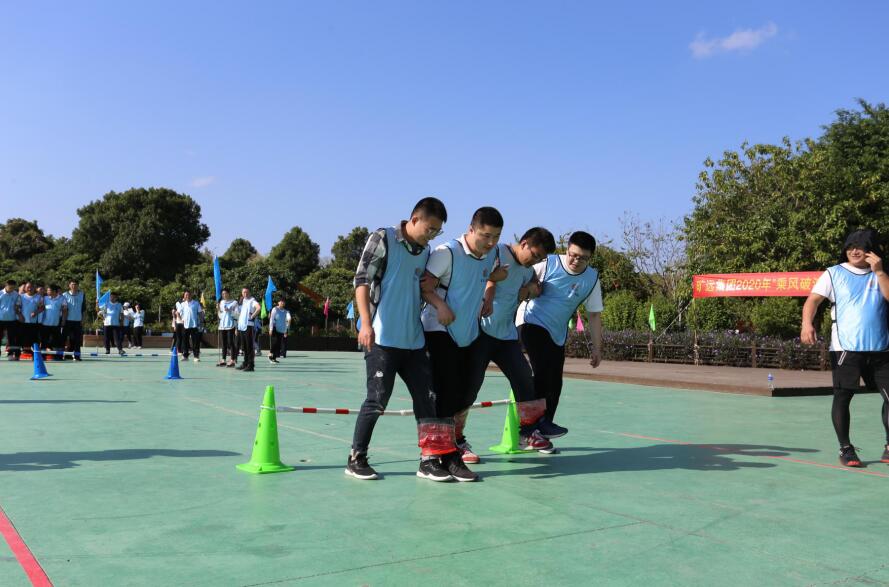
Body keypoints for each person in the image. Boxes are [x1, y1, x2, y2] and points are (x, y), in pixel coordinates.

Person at [347, 197, 460, 482]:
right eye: (430, 228)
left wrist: (440, 305)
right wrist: (366, 324)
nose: (432, 235)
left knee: (428, 399)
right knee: (377, 400)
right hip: (382, 337)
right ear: (414, 218)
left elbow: (424, 289)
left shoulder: (425, 252)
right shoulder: (384, 237)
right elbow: (361, 281)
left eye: (437, 231)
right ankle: (356, 457)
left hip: (414, 340)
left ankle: (429, 460)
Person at [420, 206, 507, 473]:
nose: (491, 242)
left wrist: (492, 285)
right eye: (485, 235)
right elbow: (425, 287)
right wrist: (441, 306)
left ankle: (452, 447)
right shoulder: (447, 253)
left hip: (468, 333)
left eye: (496, 237)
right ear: (471, 229)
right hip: (439, 329)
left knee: (465, 392)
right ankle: (437, 458)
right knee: (444, 394)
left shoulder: (491, 254)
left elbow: (485, 275)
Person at [466, 227, 558, 455]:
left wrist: (529, 291)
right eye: (534, 254)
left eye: (540, 258)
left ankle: (527, 434)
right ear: (524, 243)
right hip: (480, 333)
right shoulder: (497, 251)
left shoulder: (527, 271)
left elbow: (537, 286)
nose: (535, 260)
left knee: (526, 380)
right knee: (469, 389)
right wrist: (488, 293)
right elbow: (483, 274)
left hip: (506, 336)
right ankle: (457, 442)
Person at [801, 229, 889, 467]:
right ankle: (846, 448)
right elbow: (813, 300)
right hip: (846, 348)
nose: (855, 251)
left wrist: (879, 272)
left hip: (881, 348)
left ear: (873, 249)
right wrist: (807, 323)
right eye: (850, 246)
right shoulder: (833, 273)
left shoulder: (883, 273)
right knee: (843, 396)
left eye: (861, 246)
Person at [518, 231, 603, 438]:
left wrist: (597, 348)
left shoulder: (591, 278)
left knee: (555, 380)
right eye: (573, 254)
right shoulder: (548, 264)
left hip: (557, 332)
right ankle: (527, 430)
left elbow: (594, 315)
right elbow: (518, 282)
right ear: (567, 249)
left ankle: (543, 428)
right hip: (531, 321)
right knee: (542, 372)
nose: (576, 260)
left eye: (583, 258)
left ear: (590, 257)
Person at [236, 287, 260, 372]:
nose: (245, 294)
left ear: (249, 292)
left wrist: (252, 316)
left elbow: (258, 308)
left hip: (249, 326)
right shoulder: (243, 301)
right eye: (243, 292)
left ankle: (251, 365)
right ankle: (245, 363)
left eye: (246, 292)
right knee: (244, 347)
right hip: (242, 326)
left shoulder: (252, 300)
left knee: (249, 346)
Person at [175, 291, 203, 362]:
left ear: (191, 295)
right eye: (185, 295)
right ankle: (185, 356)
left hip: (194, 325)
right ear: (184, 296)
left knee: (195, 342)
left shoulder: (196, 303)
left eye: (188, 295)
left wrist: (201, 321)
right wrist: (181, 320)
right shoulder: (182, 304)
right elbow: (177, 313)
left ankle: (196, 356)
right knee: (185, 342)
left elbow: (200, 313)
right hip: (185, 326)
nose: (187, 296)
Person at [62, 280, 86, 360]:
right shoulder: (64, 295)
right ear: (69, 285)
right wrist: (63, 320)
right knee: (65, 338)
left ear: (78, 285)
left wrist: (83, 319)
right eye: (72, 284)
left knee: (77, 339)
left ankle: (77, 356)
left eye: (75, 284)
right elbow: (63, 309)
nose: (74, 286)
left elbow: (83, 309)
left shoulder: (82, 295)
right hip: (67, 320)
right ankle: (64, 355)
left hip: (77, 321)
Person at [40, 285, 67, 352]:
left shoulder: (62, 298)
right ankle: (43, 355)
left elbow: (64, 310)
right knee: (44, 340)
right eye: (47, 290)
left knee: (56, 340)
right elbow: (41, 307)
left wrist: (63, 320)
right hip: (45, 323)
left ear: (54, 291)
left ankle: (57, 355)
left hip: (56, 323)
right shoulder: (45, 298)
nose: (47, 292)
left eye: (49, 290)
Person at [0, 280, 23, 360]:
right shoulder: (0, 293)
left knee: (12, 338)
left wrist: (19, 314)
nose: (12, 289)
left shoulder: (16, 295)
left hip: (12, 319)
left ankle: (11, 354)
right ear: (6, 286)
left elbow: (18, 306)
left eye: (13, 288)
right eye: (10, 287)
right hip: (0, 319)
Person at [19, 281, 43, 354]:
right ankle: (25, 351)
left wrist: (35, 312)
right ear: (25, 288)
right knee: (23, 337)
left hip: (33, 322)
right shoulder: (21, 296)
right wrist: (20, 315)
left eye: (31, 287)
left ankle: (34, 352)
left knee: (34, 337)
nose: (30, 289)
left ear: (34, 288)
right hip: (23, 321)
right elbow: (17, 307)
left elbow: (42, 308)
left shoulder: (39, 297)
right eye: (28, 287)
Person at [216, 289, 239, 367]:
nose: (224, 295)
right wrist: (218, 310)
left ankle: (233, 359)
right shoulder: (221, 302)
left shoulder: (234, 302)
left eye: (225, 293)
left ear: (229, 294)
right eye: (223, 294)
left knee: (231, 342)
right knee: (224, 343)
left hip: (231, 325)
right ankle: (223, 359)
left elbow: (237, 314)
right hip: (223, 325)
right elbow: (221, 315)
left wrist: (230, 311)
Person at [268, 299, 289, 363]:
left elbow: (285, 321)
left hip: (281, 329)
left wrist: (285, 330)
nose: (282, 303)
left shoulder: (285, 311)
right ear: (278, 302)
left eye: (283, 302)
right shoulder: (275, 309)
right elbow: (271, 319)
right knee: (275, 342)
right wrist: (270, 329)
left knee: (279, 344)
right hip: (274, 328)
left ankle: (274, 358)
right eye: (281, 301)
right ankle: (270, 353)